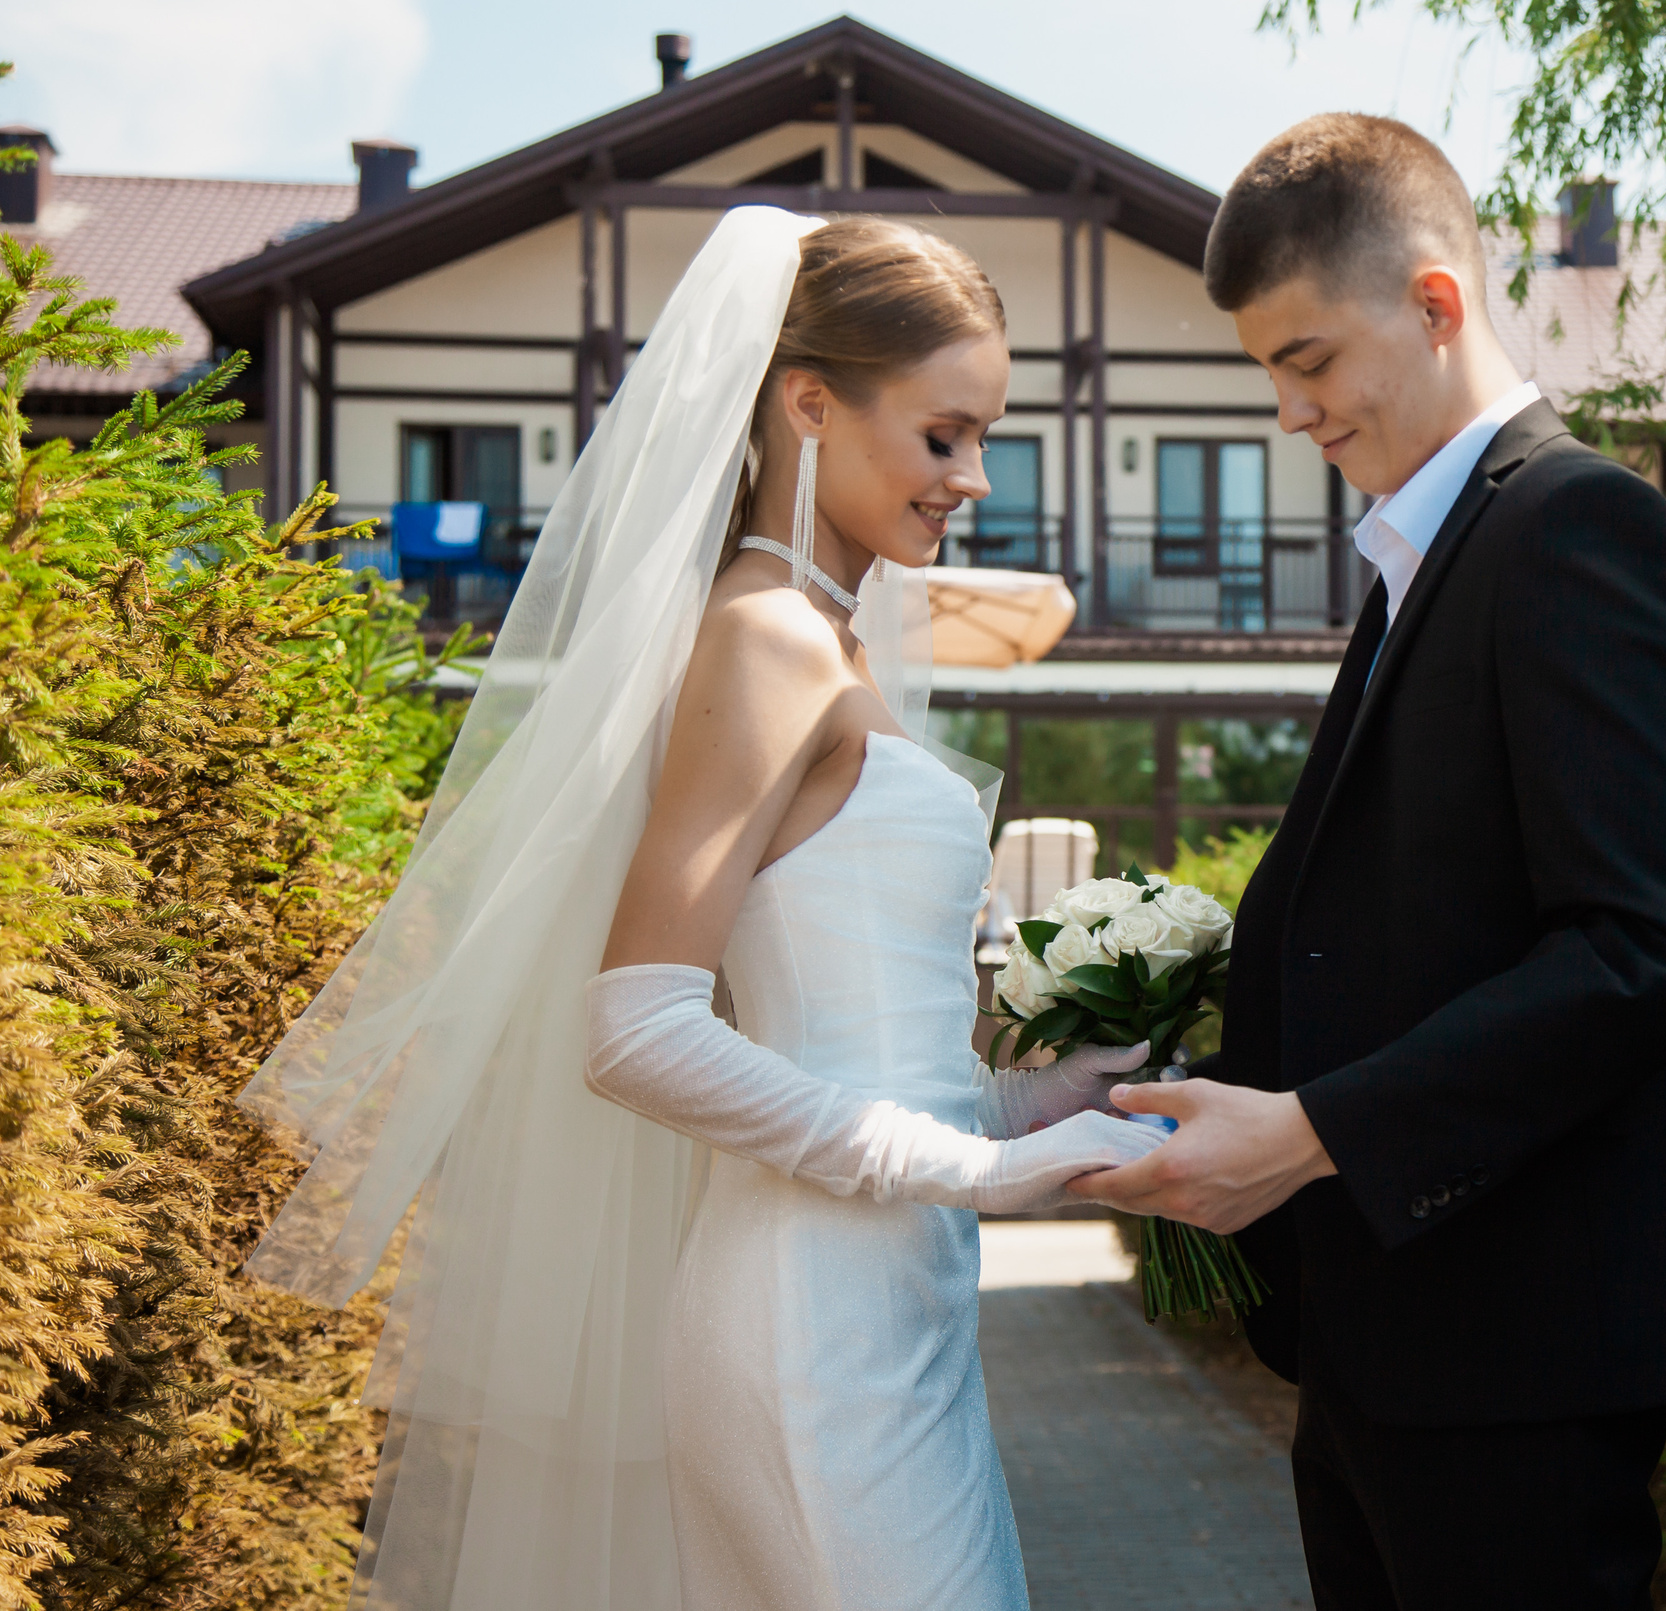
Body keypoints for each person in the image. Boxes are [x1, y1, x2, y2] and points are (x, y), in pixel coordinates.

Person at [238, 208, 1161, 1610]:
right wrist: (974, 1172)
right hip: (809, 1331)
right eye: (943, 435)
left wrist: (1028, 1110)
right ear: (809, 404)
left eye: (983, 439)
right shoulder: (766, 638)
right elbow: (636, 1031)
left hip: (897, 1310)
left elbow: (852, 1043)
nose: (972, 478)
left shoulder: (827, 635)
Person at [1073, 115, 1666, 1610]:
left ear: (1436, 304)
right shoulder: (1418, 556)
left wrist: (1309, 1135)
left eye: (1309, 361)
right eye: (1269, 373)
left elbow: (1652, 950)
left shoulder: (1580, 529)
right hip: (1383, 1341)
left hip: (1515, 1358)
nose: (1289, 412)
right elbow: (1387, 934)